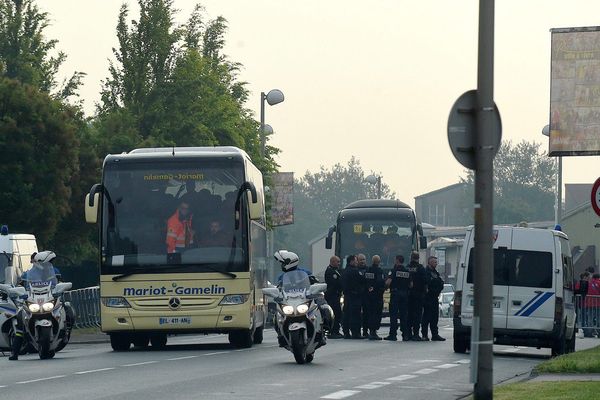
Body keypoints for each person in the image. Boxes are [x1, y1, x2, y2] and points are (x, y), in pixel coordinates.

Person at [273, 250, 333, 345]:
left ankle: (324, 328)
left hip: (305, 297)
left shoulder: (305, 272)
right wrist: (276, 294)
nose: (282, 265)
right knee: (278, 313)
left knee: (323, 306)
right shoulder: (282, 277)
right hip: (290, 300)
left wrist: (316, 285)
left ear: (289, 263)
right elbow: (279, 288)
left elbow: (314, 282)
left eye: (283, 263)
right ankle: (280, 334)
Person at [385, 255, 411, 341]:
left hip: (395, 294)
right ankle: (405, 335)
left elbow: (388, 283)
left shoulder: (394, 271)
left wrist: (384, 287)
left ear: (397, 260)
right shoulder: (407, 271)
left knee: (394, 315)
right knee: (404, 315)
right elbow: (411, 285)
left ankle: (393, 335)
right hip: (404, 295)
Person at [422, 256, 446, 341]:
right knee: (426, 317)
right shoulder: (426, 272)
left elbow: (441, 283)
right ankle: (424, 335)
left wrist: (437, 288)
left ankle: (435, 335)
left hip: (435, 297)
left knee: (435, 317)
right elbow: (427, 284)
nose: (436, 264)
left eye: (436, 262)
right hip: (428, 298)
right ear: (430, 262)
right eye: (435, 262)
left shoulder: (435, 272)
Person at [364, 255, 386, 340]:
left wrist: (369, 288)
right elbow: (380, 282)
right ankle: (373, 332)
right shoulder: (379, 271)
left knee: (370, 313)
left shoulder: (368, 270)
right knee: (376, 314)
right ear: (379, 262)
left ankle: (370, 331)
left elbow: (365, 282)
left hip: (369, 296)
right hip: (377, 296)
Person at [407, 251, 427, 341]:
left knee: (409, 314)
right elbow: (425, 281)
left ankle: (408, 334)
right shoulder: (421, 268)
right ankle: (416, 334)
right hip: (418, 295)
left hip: (408, 295)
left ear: (411, 258)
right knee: (417, 315)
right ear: (418, 258)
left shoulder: (407, 268)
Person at [342, 254, 363, 339]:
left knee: (346, 314)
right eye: (356, 260)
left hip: (347, 296)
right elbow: (361, 281)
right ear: (352, 261)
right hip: (355, 296)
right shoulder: (355, 271)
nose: (357, 262)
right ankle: (355, 333)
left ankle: (346, 332)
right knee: (355, 315)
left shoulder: (344, 271)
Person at [324, 256, 343, 339]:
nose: (339, 263)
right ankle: (333, 331)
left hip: (336, 295)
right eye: (337, 262)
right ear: (332, 262)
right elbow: (335, 283)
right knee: (335, 314)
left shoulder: (335, 271)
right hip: (332, 296)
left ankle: (336, 330)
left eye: (339, 262)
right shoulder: (330, 271)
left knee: (338, 313)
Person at [357, 253, 369, 338]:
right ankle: (357, 331)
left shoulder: (368, 270)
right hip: (357, 295)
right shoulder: (355, 270)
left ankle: (365, 331)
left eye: (363, 259)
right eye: (360, 260)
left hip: (366, 295)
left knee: (366, 314)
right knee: (357, 314)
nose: (362, 261)